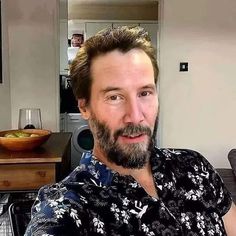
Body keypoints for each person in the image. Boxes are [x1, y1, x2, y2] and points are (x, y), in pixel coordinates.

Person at [25, 26, 236, 235]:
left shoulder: (194, 166)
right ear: (84, 107)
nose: (135, 116)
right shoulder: (67, 208)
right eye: (114, 97)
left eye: (144, 93)